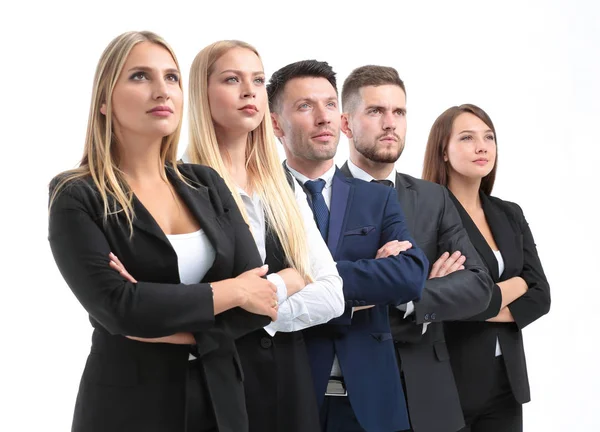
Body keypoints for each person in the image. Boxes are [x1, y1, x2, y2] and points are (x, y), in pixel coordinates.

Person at [48, 31, 278, 432]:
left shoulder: (205, 183)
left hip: (221, 404)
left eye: (171, 78)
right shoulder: (76, 194)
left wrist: (151, 316)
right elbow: (119, 307)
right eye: (140, 76)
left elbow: (259, 301)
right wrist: (232, 291)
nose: (162, 91)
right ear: (104, 101)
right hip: (128, 408)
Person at [184, 41, 345, 432]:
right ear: (202, 94)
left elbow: (332, 294)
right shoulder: (180, 182)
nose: (248, 91)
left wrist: (259, 303)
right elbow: (182, 299)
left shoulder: (282, 185)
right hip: (211, 380)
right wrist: (287, 281)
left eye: (257, 80)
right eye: (231, 79)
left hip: (288, 381)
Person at [268, 59, 429, 432]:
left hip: (371, 402)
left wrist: (307, 282)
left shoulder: (377, 198)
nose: (323, 118)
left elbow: (409, 276)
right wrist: (367, 283)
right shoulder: (258, 199)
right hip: (289, 395)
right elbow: (259, 290)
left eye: (329, 104)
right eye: (305, 106)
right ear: (276, 124)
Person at [338, 65, 495, 432]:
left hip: (430, 398)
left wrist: (411, 292)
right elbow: (324, 289)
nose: (390, 123)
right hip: (349, 394)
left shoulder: (433, 197)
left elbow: (479, 286)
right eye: (376, 111)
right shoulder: (319, 194)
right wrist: (419, 277)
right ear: (345, 124)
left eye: (399, 112)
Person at [422, 103, 551, 432]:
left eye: (489, 137)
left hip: (506, 383)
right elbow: (432, 302)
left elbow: (540, 295)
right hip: (448, 380)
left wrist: (468, 300)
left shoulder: (509, 213)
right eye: (467, 137)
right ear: (444, 152)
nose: (482, 146)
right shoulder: (427, 216)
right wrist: (515, 286)